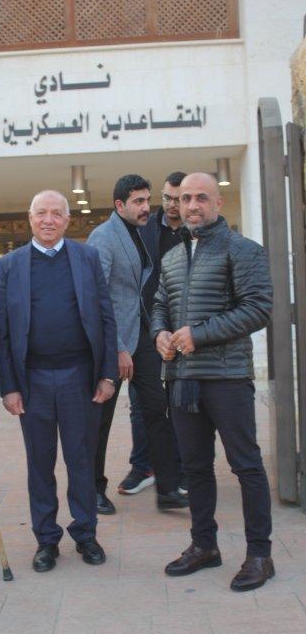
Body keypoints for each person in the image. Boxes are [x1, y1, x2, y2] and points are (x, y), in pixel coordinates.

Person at [152, 172, 274, 591]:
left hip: (227, 377)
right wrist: (159, 333)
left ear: (218, 203)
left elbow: (258, 308)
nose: (192, 205)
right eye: (185, 198)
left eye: (201, 198)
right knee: (195, 469)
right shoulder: (172, 257)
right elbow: (160, 304)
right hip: (182, 379)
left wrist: (199, 334)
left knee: (246, 466)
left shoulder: (243, 250)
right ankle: (204, 546)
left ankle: (260, 555)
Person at [0, 190, 117, 573]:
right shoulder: (10, 265)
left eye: (56, 213)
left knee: (81, 459)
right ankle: (46, 540)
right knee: (40, 463)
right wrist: (9, 386)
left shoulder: (87, 258)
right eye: (41, 213)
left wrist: (108, 374)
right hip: (32, 381)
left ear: (67, 220)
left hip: (79, 377)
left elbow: (106, 318)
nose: (48, 219)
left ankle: (86, 534)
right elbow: (2, 330)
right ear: (30, 218)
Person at [87, 175, 188, 514]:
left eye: (148, 200)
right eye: (139, 202)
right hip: (112, 341)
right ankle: (93, 490)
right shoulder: (103, 237)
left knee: (156, 409)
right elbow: (96, 296)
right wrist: (117, 347)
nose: (147, 207)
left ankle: (168, 488)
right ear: (120, 205)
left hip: (142, 335)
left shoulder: (140, 232)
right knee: (101, 419)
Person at [119, 171, 187, 495]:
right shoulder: (144, 227)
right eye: (167, 198)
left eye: (178, 199)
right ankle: (142, 466)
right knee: (141, 403)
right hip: (146, 328)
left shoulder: (196, 231)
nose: (172, 205)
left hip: (186, 329)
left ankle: (180, 469)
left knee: (182, 402)